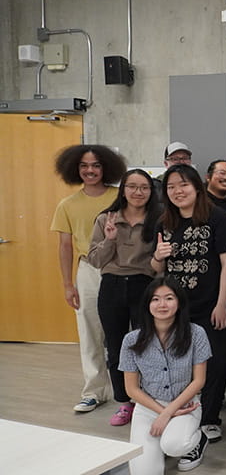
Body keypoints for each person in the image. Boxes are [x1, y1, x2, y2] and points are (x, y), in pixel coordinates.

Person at [151, 164, 226, 443]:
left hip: (210, 305)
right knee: (178, 364)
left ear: (197, 187)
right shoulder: (164, 223)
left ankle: (210, 418)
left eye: (183, 184)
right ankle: (181, 412)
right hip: (176, 310)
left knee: (214, 363)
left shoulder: (217, 218)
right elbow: (157, 269)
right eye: (171, 187)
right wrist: (159, 256)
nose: (178, 191)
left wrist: (222, 303)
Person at [51, 144, 126, 412]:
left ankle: (128, 392)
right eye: (84, 166)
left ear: (106, 167)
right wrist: (68, 284)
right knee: (90, 331)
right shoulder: (67, 205)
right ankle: (94, 391)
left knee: (125, 332)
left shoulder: (121, 196)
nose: (90, 170)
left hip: (122, 268)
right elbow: (65, 247)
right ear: (75, 169)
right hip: (88, 271)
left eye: (95, 165)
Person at [87, 169, 162, 426]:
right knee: (117, 347)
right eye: (132, 186)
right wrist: (109, 239)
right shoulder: (106, 218)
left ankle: (149, 399)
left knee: (146, 346)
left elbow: (159, 264)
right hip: (112, 285)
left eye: (144, 187)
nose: (138, 192)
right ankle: (125, 402)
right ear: (123, 189)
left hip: (145, 286)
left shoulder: (159, 218)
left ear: (151, 192)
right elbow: (96, 260)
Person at [120, 277, 210, 475]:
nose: (162, 305)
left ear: (179, 303)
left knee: (174, 446)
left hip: (185, 404)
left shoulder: (196, 334)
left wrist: (169, 412)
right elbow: (131, 389)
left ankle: (197, 441)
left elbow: (199, 381)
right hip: (148, 406)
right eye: (156, 299)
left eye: (169, 298)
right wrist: (162, 413)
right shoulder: (131, 340)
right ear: (147, 304)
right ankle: (161, 442)